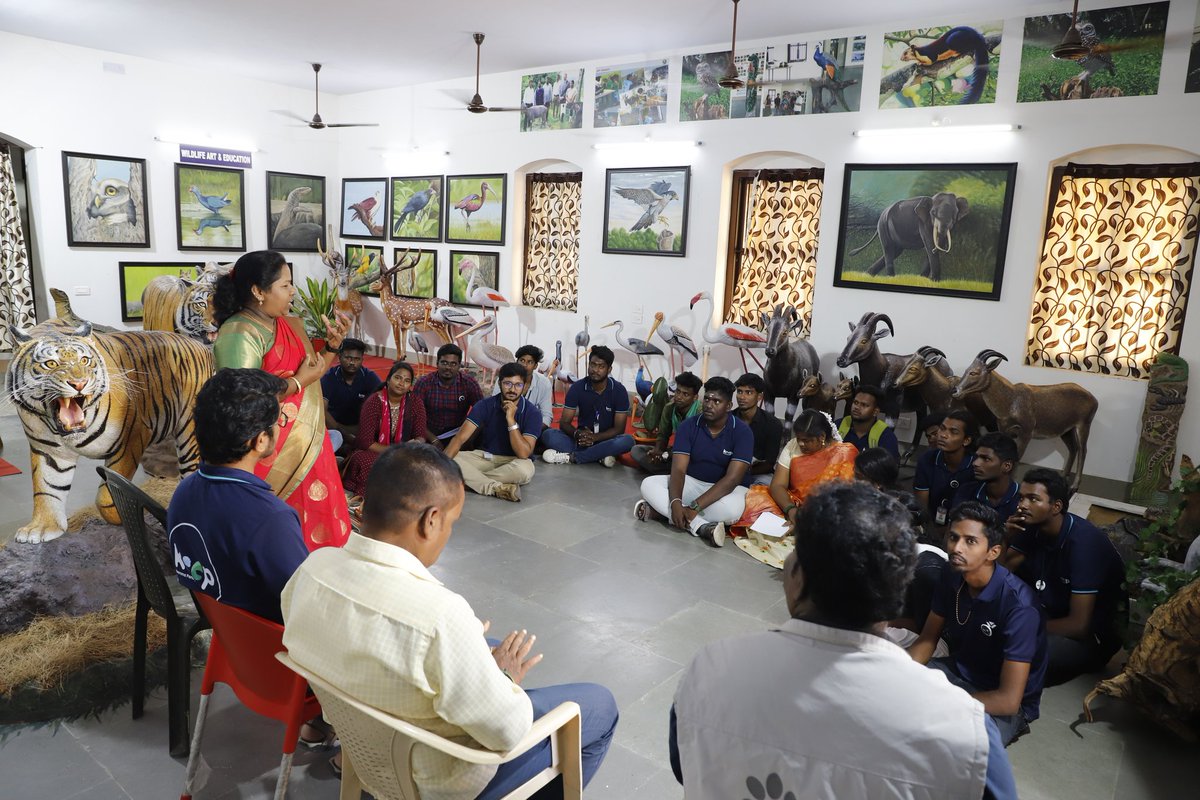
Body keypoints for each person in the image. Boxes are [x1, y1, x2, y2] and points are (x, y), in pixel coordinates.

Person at [281, 443, 618, 799]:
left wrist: (463, 643)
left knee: (486, 646)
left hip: (364, 749)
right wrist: (504, 678)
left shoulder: (311, 571)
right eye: (451, 523)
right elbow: (507, 732)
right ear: (431, 521)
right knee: (599, 704)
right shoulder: (440, 615)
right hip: (436, 781)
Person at [670, 482, 1017, 799]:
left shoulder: (710, 668)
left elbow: (684, 765)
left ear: (795, 574)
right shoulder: (963, 730)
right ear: (897, 594)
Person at [212, 250, 351, 550]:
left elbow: (312, 373)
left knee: (315, 532)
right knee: (275, 539)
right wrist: (298, 382)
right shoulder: (239, 333)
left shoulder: (288, 325)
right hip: (266, 452)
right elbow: (242, 397)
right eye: (285, 285)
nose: (293, 291)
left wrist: (331, 347)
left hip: (309, 447)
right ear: (258, 291)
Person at [168, 368, 307, 624]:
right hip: (265, 641)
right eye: (278, 422)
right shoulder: (272, 519)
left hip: (226, 632)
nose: (279, 427)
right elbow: (305, 606)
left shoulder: (184, 492)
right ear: (260, 440)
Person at [910, 502, 1048, 746]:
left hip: (1001, 701)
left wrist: (946, 703)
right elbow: (928, 639)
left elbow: (1008, 700)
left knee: (959, 743)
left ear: (993, 552)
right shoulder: (951, 574)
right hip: (958, 671)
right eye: (953, 537)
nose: (956, 548)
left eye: (970, 541)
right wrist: (900, 672)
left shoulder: (1019, 607)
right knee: (895, 696)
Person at [1002, 468, 1127, 686]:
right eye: (1021, 498)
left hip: (1090, 637)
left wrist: (1021, 625)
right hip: (1049, 615)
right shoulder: (1030, 527)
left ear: (1056, 506)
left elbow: (1078, 625)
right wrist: (1004, 538)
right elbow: (998, 577)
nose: (1022, 505)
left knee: (1019, 651)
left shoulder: (1084, 544)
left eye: (1033, 499)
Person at [634, 377, 752, 548]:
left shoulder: (742, 432)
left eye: (716, 401)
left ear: (728, 406)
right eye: (707, 399)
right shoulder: (688, 426)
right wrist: (675, 502)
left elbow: (732, 479)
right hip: (693, 482)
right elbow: (679, 470)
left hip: (726, 490)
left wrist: (695, 507)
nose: (709, 405)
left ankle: (661, 513)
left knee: (731, 511)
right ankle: (701, 526)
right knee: (648, 484)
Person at [735, 409, 859, 533]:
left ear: (822, 437)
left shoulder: (844, 454)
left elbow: (843, 499)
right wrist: (791, 510)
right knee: (755, 500)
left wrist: (807, 516)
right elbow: (778, 485)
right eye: (798, 438)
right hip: (792, 503)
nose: (801, 443)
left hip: (825, 511)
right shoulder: (793, 445)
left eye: (806, 440)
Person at [447, 362, 542, 503]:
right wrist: (441, 466)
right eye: (507, 383)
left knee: (525, 470)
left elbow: (523, 453)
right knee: (452, 459)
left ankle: (468, 479)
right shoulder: (485, 405)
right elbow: (459, 438)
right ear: (499, 383)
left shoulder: (533, 413)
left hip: (514, 461)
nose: (512, 389)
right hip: (484, 457)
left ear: (525, 386)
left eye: (518, 385)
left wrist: (511, 420)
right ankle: (495, 487)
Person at [341, 360, 427, 498]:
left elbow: (420, 434)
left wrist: (416, 443)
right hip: (374, 452)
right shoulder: (374, 402)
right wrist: (395, 451)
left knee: (423, 462)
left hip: (404, 452)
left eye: (406, 381)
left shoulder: (416, 403)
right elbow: (366, 443)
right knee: (368, 461)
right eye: (398, 378)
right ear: (388, 380)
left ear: (410, 386)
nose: (401, 383)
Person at [541, 346, 634, 467]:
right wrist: (577, 434)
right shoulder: (577, 388)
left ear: (609, 369)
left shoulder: (619, 390)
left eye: (601, 366)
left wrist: (595, 437)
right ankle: (599, 456)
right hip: (581, 440)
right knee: (548, 434)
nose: (595, 370)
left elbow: (619, 429)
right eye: (593, 365)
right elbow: (564, 423)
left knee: (628, 441)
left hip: (607, 440)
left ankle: (574, 457)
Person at [914, 409, 979, 528]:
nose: (943, 435)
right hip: (931, 525)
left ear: (966, 440)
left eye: (953, 432)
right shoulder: (926, 459)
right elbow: (922, 506)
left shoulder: (977, 466)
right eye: (942, 428)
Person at [630, 371, 701, 474]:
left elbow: (699, 447)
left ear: (695, 397)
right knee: (636, 450)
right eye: (678, 391)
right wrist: (658, 451)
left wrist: (670, 455)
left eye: (685, 394)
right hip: (675, 452)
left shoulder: (700, 413)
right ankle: (670, 470)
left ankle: (668, 470)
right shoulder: (669, 408)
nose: (679, 397)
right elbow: (663, 435)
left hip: (692, 456)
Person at [413, 343, 483, 447]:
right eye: (444, 363)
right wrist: (433, 440)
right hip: (429, 434)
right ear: (437, 363)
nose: (448, 367)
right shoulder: (424, 383)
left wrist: (466, 439)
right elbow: (415, 416)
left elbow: (481, 413)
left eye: (453, 364)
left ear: (459, 366)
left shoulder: (469, 383)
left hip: (459, 432)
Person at [320, 337, 382, 453]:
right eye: (348, 358)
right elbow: (322, 410)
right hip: (334, 428)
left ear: (362, 359)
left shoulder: (370, 377)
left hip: (360, 428)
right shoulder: (329, 377)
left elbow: (383, 403)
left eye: (357, 359)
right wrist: (342, 432)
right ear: (339, 357)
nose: (352, 362)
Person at [954, 432, 1021, 522]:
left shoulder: (1022, 499)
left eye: (986, 459)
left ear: (1007, 466)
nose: (975, 463)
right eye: (977, 457)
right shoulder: (966, 491)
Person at [733, 373, 784, 485]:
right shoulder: (728, 419)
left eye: (749, 392)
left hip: (756, 473)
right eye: (739, 391)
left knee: (768, 485)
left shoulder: (773, 424)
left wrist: (743, 472)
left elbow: (769, 463)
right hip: (729, 468)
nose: (742, 397)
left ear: (759, 397)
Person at [490, 344, 555, 428]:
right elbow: (494, 407)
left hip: (533, 428)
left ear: (535, 366)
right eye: (522, 360)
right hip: (504, 425)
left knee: (551, 434)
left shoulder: (544, 383)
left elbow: (546, 417)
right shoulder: (504, 379)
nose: (525, 365)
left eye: (530, 362)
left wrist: (531, 431)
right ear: (517, 361)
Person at [838, 384, 900, 460]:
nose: (857, 407)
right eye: (855, 402)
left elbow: (888, 466)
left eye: (864, 405)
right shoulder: (838, 425)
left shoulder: (886, 436)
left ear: (875, 412)